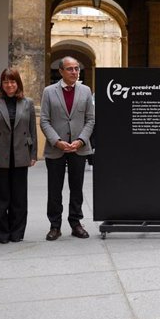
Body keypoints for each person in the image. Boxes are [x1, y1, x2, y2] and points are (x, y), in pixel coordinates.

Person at [40, 56, 95, 241]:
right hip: (56, 148)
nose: (74, 72)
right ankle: (55, 226)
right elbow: (45, 120)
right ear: (61, 71)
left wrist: (81, 140)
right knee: (54, 189)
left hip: (78, 148)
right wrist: (57, 141)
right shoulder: (49, 92)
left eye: (77, 68)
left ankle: (76, 223)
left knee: (76, 188)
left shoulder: (86, 91)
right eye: (70, 69)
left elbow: (90, 119)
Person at [0, 68, 37, 243]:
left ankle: (17, 233)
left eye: (13, 81)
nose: (9, 85)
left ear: (18, 83)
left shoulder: (27, 103)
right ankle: (0, 234)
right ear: (1, 84)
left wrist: (33, 154)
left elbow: (32, 131)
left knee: (19, 198)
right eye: (6, 82)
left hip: (20, 155)